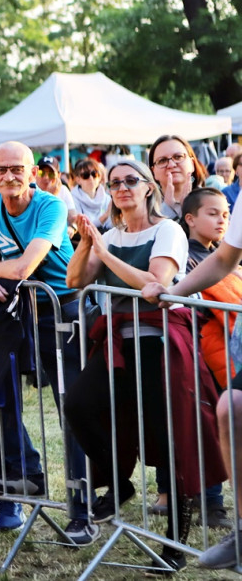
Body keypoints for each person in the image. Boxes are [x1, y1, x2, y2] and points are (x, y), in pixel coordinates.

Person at [66, 160, 223, 571]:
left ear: (148, 187)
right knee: (79, 404)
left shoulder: (167, 230)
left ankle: (174, 545)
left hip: (162, 342)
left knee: (171, 437)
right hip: (117, 341)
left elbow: (155, 285)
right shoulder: (112, 234)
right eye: (115, 182)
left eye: (130, 181)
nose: (122, 188)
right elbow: (74, 280)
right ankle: (119, 483)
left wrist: (105, 253)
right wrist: (88, 243)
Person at [0, 141, 94, 543]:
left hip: (61, 311)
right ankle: (26, 473)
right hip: (19, 310)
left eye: (18, 169)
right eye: (2, 170)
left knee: (71, 409)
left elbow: (26, 265)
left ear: (33, 173)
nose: (9, 176)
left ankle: (82, 512)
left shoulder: (51, 206)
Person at [142, 191, 242, 569]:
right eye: (213, 213)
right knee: (229, 409)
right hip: (219, 359)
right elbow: (222, 260)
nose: (221, 219)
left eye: (224, 213)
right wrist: (172, 291)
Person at [149, 134, 207, 221]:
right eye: (162, 160)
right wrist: (167, 209)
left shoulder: (211, 201)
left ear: (192, 164)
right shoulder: (145, 209)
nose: (171, 165)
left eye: (178, 157)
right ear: (153, 172)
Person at [69, 158, 110, 231]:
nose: (91, 178)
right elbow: (81, 226)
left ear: (100, 177)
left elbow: (111, 224)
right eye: (85, 175)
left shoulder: (107, 199)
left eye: (94, 174)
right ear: (78, 180)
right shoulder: (71, 198)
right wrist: (104, 216)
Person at [36, 156, 77, 226]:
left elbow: (73, 218)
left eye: (51, 174)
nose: (46, 177)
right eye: (41, 173)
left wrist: (73, 227)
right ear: (35, 173)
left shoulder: (63, 190)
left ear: (59, 175)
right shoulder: (30, 189)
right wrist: (52, 195)